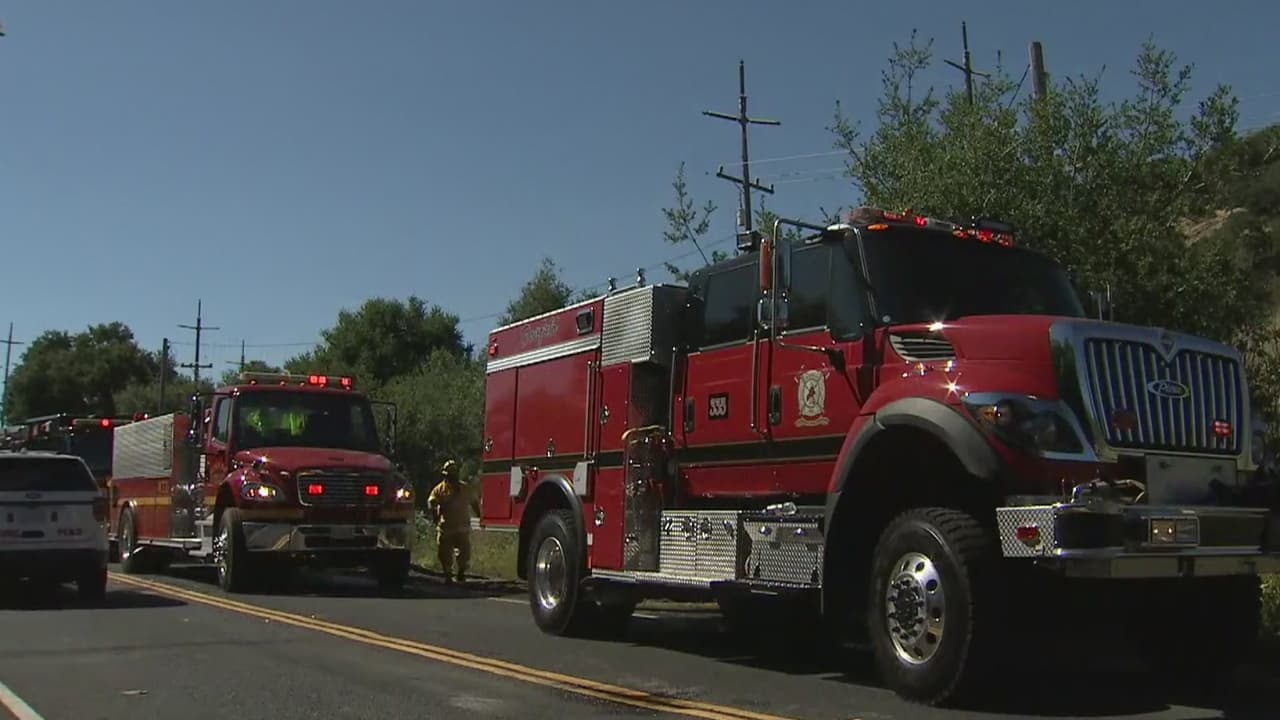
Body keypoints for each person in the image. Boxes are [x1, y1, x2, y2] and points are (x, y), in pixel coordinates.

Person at [426, 459, 480, 583]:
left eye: (453, 474)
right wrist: (435, 515)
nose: (451, 477)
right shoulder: (439, 489)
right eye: (449, 474)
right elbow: (431, 502)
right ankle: (447, 573)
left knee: (464, 552)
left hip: (462, 527)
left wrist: (479, 515)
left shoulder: (465, 488)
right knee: (444, 553)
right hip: (446, 527)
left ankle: (461, 571)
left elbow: (474, 502)